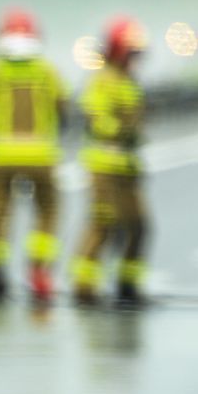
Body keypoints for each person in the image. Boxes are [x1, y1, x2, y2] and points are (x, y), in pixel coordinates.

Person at [0, 8, 67, 304]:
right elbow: (64, 109)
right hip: (40, 155)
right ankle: (38, 268)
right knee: (47, 210)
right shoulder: (47, 71)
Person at [72, 17, 150, 308]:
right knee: (103, 225)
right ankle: (84, 287)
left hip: (128, 167)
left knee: (139, 226)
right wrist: (121, 130)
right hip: (104, 167)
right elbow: (95, 117)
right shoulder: (102, 80)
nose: (135, 59)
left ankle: (128, 285)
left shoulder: (129, 81)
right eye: (131, 52)